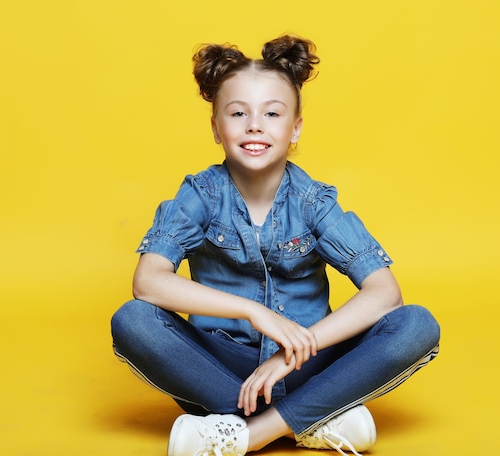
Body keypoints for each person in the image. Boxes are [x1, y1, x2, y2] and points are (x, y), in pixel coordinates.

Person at [111, 34, 440, 456]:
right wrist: (253, 312)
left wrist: (293, 353)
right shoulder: (201, 194)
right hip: (221, 367)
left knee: (415, 324)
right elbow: (148, 282)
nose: (255, 125)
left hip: (306, 364)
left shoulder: (314, 201)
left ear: (295, 127)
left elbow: (384, 292)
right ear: (216, 128)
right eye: (237, 113)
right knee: (133, 320)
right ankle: (310, 420)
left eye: (272, 113)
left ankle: (244, 434)